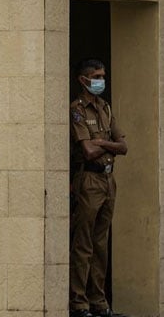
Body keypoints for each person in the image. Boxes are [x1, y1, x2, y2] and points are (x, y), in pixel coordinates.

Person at [69, 59, 127, 317]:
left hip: (108, 179)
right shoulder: (78, 110)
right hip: (89, 180)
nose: (101, 81)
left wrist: (101, 141)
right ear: (83, 80)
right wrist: (107, 143)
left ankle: (98, 301)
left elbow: (123, 146)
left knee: (101, 243)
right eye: (96, 76)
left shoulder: (105, 107)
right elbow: (88, 151)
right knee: (84, 243)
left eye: (102, 76)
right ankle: (79, 302)